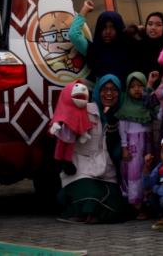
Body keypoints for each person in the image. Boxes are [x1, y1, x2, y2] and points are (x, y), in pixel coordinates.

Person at [57, 76, 129, 224]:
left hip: (106, 171)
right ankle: (81, 213)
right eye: (105, 89)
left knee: (116, 203)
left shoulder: (123, 115)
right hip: (81, 168)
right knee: (91, 197)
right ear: (97, 90)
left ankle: (94, 215)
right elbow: (65, 136)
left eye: (114, 89)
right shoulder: (84, 110)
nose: (109, 93)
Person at [116, 72, 155, 217]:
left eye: (140, 86)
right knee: (134, 174)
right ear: (128, 89)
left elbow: (158, 114)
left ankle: (147, 202)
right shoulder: (125, 107)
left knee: (147, 170)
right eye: (133, 87)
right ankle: (137, 206)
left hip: (147, 143)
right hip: (133, 146)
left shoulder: (148, 105)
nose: (137, 89)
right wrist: (124, 148)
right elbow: (122, 130)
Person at [69, 0, 130, 82]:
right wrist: (84, 10)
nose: (108, 31)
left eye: (112, 27)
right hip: (100, 94)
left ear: (118, 28)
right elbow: (74, 34)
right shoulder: (93, 50)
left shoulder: (128, 48)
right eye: (104, 27)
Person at [128, 11, 163, 77]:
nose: (153, 27)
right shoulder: (137, 47)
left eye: (158, 25)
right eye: (150, 24)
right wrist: (134, 29)